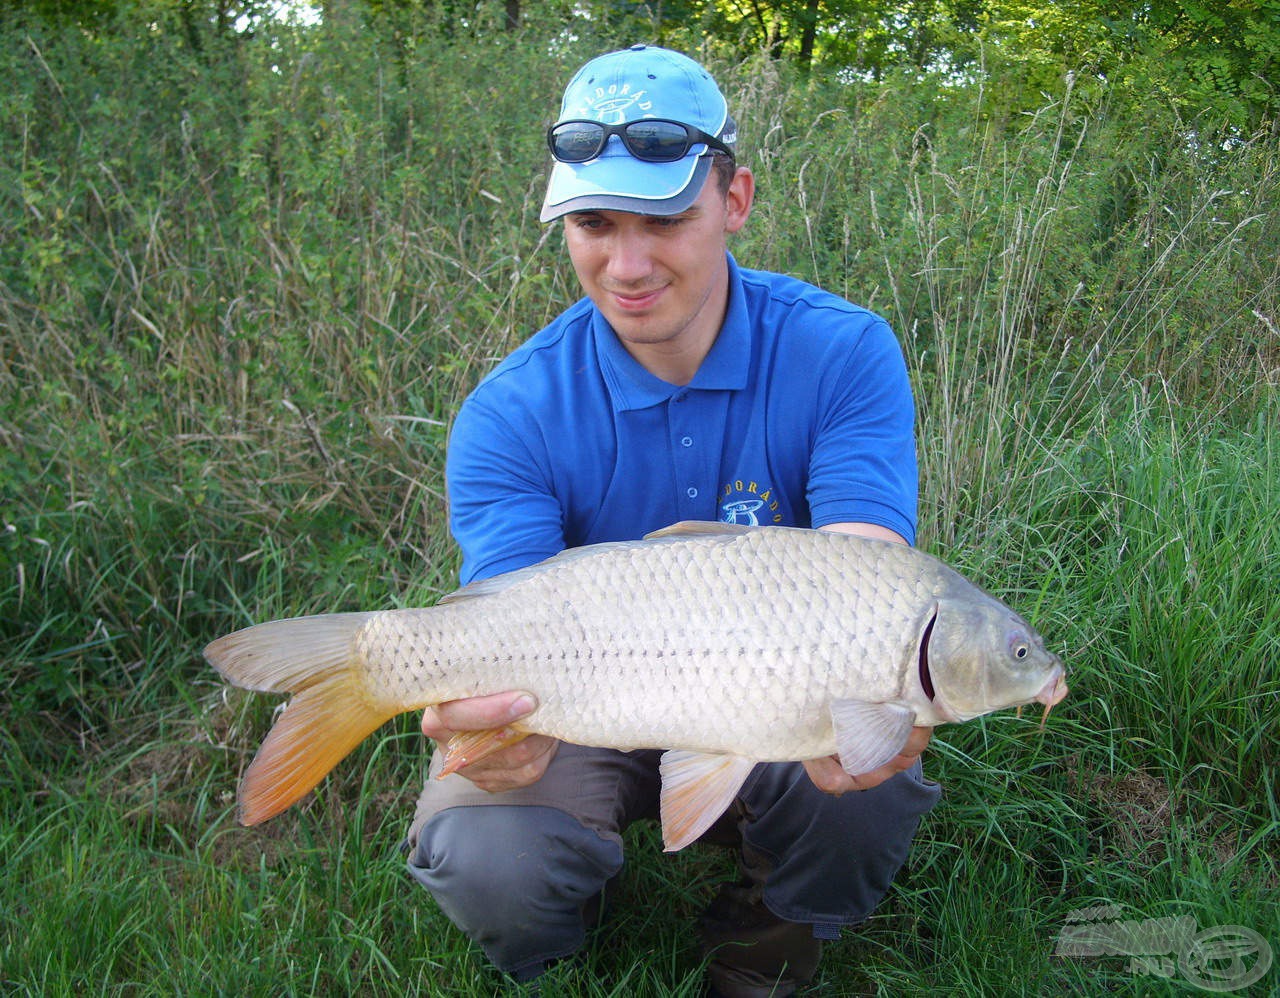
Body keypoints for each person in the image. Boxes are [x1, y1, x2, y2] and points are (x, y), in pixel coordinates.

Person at [403, 44, 941, 997]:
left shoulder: (843, 351)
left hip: (769, 690)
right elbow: (504, 613)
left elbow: (871, 567)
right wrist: (481, 728)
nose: (628, 264)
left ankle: (765, 948)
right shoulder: (509, 411)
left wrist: (888, 683)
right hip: (577, 699)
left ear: (734, 201)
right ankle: (564, 942)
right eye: (596, 223)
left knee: (874, 774)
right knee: (487, 846)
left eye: (664, 219)